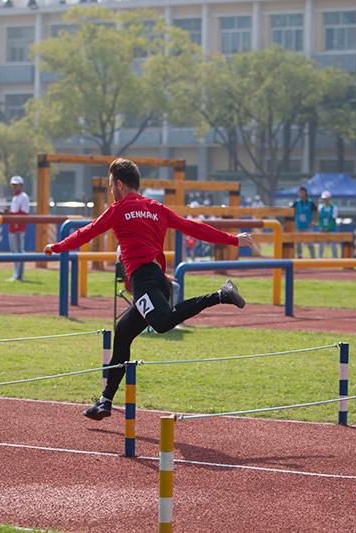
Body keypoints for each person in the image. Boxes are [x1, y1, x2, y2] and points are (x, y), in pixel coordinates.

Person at [43, 158, 254, 420]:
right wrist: (234, 239)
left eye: (111, 185)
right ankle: (105, 401)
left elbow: (88, 231)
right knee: (122, 334)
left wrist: (58, 246)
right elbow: (194, 228)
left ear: (119, 184)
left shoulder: (118, 209)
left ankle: (221, 295)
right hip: (156, 283)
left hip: (145, 283)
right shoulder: (157, 208)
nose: (111, 189)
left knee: (163, 323)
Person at [6, 175, 30, 281]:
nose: (14, 187)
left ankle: (19, 275)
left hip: (19, 227)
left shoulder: (24, 197)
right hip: (12, 227)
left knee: (19, 250)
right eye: (13, 185)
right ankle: (16, 273)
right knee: (14, 251)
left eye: (16, 185)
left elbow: (24, 213)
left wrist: (10, 213)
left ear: (21, 186)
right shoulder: (15, 197)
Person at [290, 186, 317, 258]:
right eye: (300, 192)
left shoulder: (310, 203)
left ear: (305, 193)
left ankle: (313, 257)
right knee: (298, 243)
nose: (301, 194)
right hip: (298, 226)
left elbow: (316, 212)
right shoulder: (296, 203)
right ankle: (299, 256)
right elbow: (290, 212)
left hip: (307, 226)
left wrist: (314, 221)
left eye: (302, 192)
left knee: (310, 243)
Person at [317, 191, 338, 258]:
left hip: (332, 229)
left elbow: (333, 220)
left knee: (333, 245)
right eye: (324, 199)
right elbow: (319, 219)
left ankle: (335, 260)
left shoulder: (334, 208)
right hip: (322, 229)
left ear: (329, 198)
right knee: (321, 245)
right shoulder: (321, 207)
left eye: (326, 199)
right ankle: (320, 259)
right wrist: (322, 227)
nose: (325, 200)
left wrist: (328, 228)